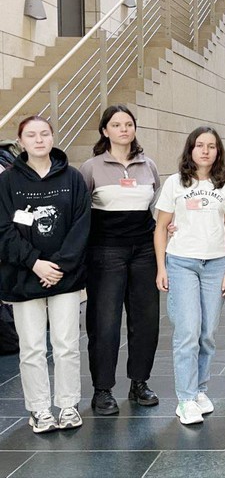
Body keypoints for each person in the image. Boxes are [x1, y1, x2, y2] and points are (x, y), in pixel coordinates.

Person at [0, 116, 91, 433]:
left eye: (44, 134)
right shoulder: (7, 181)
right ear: (20, 142)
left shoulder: (73, 178)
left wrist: (60, 266)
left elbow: (81, 225)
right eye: (31, 135)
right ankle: (39, 410)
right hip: (23, 277)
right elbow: (3, 229)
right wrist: (35, 262)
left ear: (52, 137)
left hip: (65, 277)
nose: (38, 140)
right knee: (32, 349)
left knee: (66, 344)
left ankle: (68, 406)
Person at [154, 127, 225, 425]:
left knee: (207, 333)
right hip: (182, 263)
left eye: (212, 146)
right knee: (188, 332)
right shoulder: (175, 183)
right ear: (190, 149)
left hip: (215, 265)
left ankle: (200, 390)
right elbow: (160, 228)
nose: (205, 151)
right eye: (200, 145)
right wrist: (161, 267)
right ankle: (185, 399)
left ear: (218, 151)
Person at [80, 105, 161, 415]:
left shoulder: (148, 165)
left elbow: (154, 206)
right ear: (105, 131)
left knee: (146, 320)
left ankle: (139, 382)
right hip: (105, 251)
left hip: (144, 251)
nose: (124, 129)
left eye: (128, 124)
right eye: (116, 125)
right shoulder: (91, 167)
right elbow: (81, 212)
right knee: (105, 322)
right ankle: (102, 389)